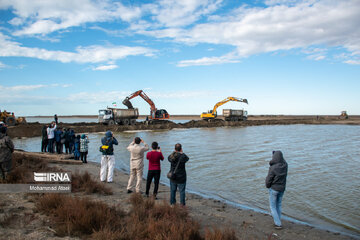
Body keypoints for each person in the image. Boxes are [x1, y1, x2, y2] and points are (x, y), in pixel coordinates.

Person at [265, 150, 288, 230]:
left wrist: (267, 186)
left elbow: (269, 179)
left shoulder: (273, 168)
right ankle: (278, 221)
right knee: (278, 205)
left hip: (274, 189)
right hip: (282, 189)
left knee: (272, 207)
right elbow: (283, 161)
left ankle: (278, 224)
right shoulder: (285, 165)